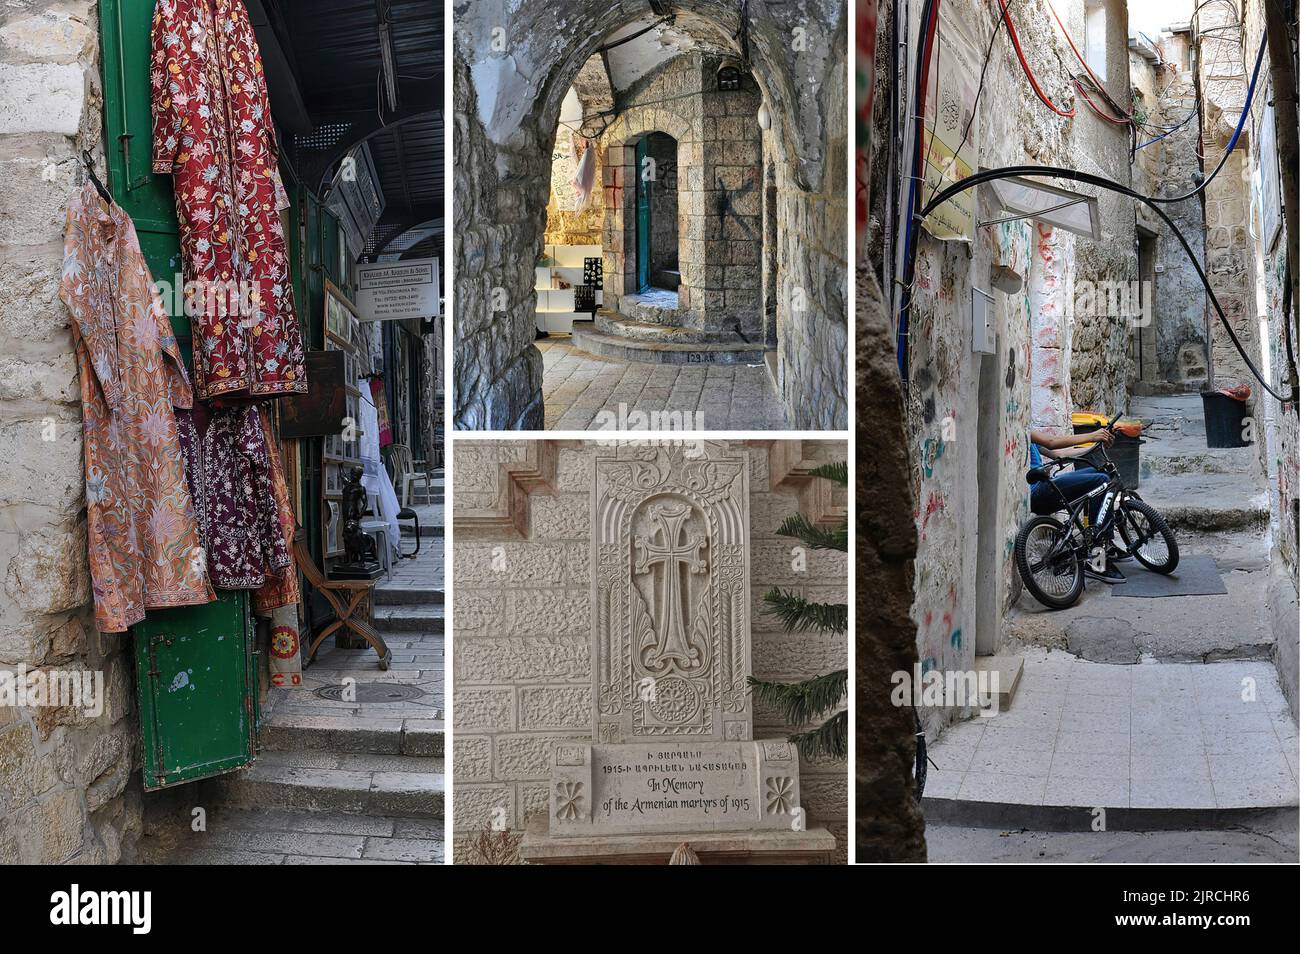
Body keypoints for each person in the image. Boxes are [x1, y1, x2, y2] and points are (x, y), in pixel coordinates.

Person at [1027, 426, 1126, 583]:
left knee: (1101, 474)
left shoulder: (1028, 435)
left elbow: (1059, 454)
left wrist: (1096, 444)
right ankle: (1097, 562)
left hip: (1044, 486)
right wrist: (1093, 435)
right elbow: (1052, 442)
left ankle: (1105, 543)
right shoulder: (1025, 430)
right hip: (1038, 492)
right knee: (1101, 481)